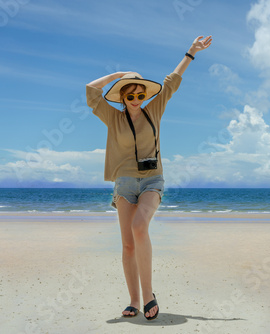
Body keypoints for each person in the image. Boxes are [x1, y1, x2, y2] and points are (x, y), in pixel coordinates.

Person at [86, 36, 212, 320]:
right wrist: (117, 76)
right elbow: (91, 92)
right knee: (128, 244)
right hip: (124, 184)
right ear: (122, 98)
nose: (134, 100)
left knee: (140, 228)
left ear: (145, 96)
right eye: (129, 96)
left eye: (139, 95)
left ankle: (148, 294)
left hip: (153, 180)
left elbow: (171, 83)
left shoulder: (154, 110)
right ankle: (132, 300)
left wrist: (191, 52)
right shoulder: (113, 117)